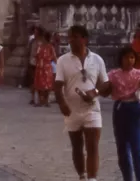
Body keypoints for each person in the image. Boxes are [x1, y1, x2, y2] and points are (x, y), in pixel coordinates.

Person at [54, 25, 109, 181]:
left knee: (92, 146)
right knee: (77, 147)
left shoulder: (97, 60)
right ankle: (82, 176)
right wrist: (62, 104)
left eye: (75, 36)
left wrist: (94, 92)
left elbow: (105, 84)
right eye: (70, 37)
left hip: (92, 109)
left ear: (84, 39)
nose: (71, 40)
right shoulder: (63, 60)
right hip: (72, 110)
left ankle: (92, 178)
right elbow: (57, 85)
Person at [99, 46, 140, 181]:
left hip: (135, 108)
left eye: (132, 57)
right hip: (120, 108)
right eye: (126, 57)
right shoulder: (113, 75)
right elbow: (106, 91)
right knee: (122, 148)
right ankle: (127, 177)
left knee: (136, 147)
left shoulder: (139, 74)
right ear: (120, 59)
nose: (129, 60)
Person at [33, 29, 57, 107]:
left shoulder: (50, 47)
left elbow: (54, 57)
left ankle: (46, 100)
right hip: (40, 67)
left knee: (47, 84)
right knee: (39, 84)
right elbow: (36, 55)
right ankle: (41, 100)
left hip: (46, 67)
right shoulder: (40, 46)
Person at [26, 26, 42, 105]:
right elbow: (28, 50)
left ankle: (39, 99)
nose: (35, 34)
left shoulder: (42, 42)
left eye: (36, 32)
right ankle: (32, 98)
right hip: (32, 62)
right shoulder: (32, 41)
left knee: (39, 81)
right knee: (32, 81)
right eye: (34, 32)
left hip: (39, 63)